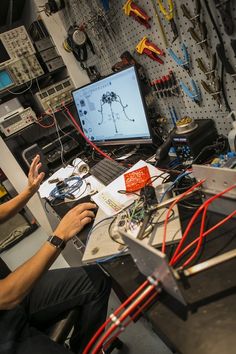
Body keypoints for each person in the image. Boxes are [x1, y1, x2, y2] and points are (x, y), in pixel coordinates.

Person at [0, 155, 111, 354]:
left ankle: (86, 349)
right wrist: (59, 236)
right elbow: (7, 295)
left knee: (96, 281)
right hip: (5, 331)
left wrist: (29, 191)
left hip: (14, 300)